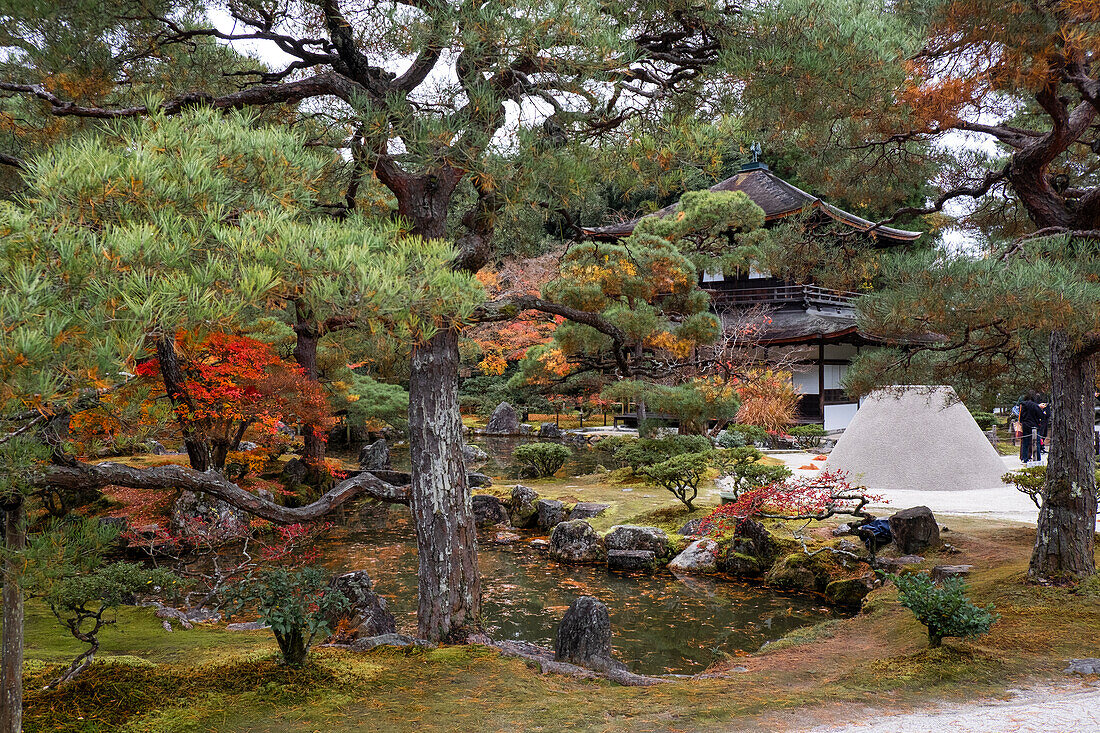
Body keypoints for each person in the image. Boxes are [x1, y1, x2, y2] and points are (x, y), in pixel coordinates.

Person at [1019, 393, 1044, 464]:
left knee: (1025, 442)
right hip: (1034, 426)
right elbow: (1041, 416)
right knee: (1037, 443)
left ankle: (1025, 458)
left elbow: (1021, 417)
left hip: (1025, 425)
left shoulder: (1023, 405)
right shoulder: (1035, 405)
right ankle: (1037, 458)